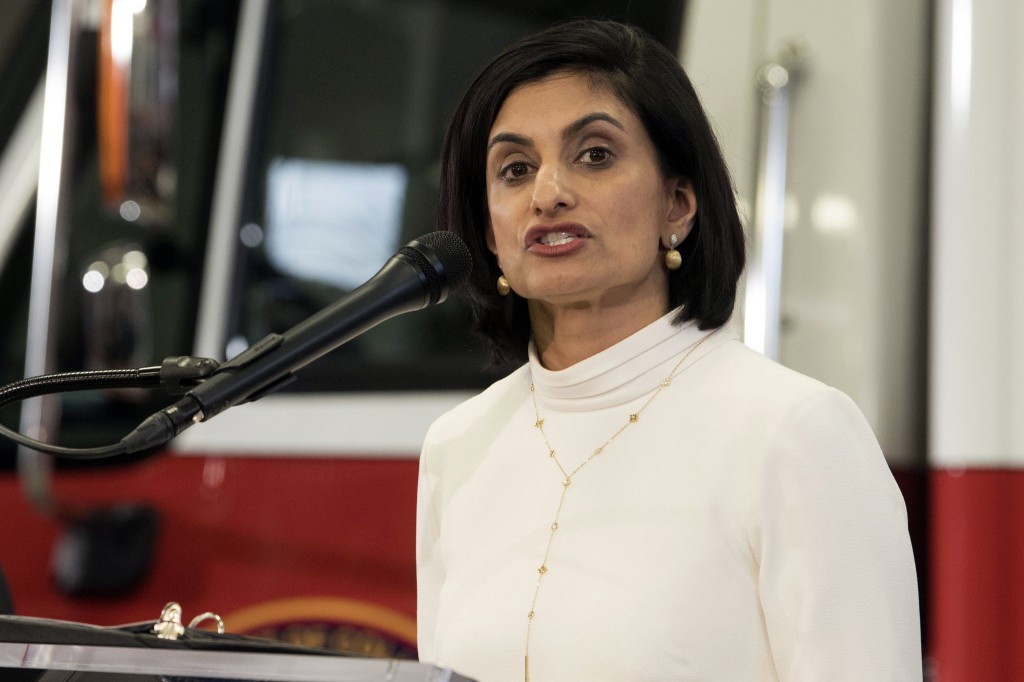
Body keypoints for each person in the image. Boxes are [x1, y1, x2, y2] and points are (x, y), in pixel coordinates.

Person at [416, 19, 921, 682]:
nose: (548, 193)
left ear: (678, 204)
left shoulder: (794, 432)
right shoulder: (458, 445)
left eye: (595, 155)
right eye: (515, 169)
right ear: (489, 232)